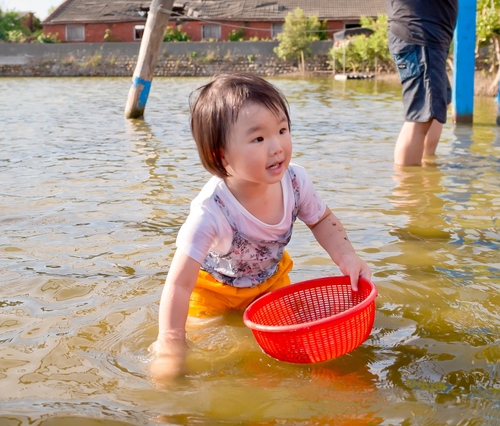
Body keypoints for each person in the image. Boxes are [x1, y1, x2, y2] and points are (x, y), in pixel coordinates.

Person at [148, 73, 371, 380]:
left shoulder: (295, 181)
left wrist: (347, 257)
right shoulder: (210, 212)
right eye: (259, 138)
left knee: (295, 349)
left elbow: (321, 220)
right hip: (214, 292)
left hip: (269, 283)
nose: (277, 146)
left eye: (282, 129)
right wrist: (170, 341)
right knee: (213, 351)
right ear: (220, 155)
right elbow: (179, 284)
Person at [387, 0, 458, 165]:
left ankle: (426, 166)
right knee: (420, 117)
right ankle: (410, 186)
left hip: (426, 38)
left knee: (435, 107)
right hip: (420, 36)